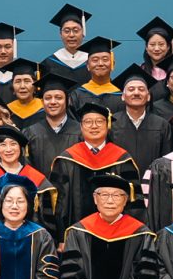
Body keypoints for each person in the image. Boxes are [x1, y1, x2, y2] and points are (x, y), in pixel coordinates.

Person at [47, 101, 142, 238]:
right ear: (81, 126)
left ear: (108, 125)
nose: (94, 126)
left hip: (117, 234)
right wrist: (61, 236)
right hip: (75, 235)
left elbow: (133, 201)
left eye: (99, 121)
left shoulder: (123, 159)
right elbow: (59, 202)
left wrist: (131, 234)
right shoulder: (66, 160)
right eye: (88, 122)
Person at [0, 127, 55, 227]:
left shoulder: (37, 179)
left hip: (30, 234)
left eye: (13, 144)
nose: (8, 149)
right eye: (3, 145)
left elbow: (45, 219)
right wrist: (7, 228)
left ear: (21, 148)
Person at [113, 64, 172, 170]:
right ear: (123, 96)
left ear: (148, 96)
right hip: (119, 180)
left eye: (141, 89)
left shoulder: (162, 125)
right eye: (131, 89)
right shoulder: (112, 123)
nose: (136, 93)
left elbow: (168, 161)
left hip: (153, 179)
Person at [45, 3, 92, 72]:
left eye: (76, 30)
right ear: (60, 34)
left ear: (83, 32)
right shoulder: (49, 63)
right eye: (67, 31)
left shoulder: (92, 62)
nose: (71, 35)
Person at [135, 17, 173, 82]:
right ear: (146, 47)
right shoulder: (139, 71)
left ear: (168, 47)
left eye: (161, 44)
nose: (156, 49)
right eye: (152, 44)